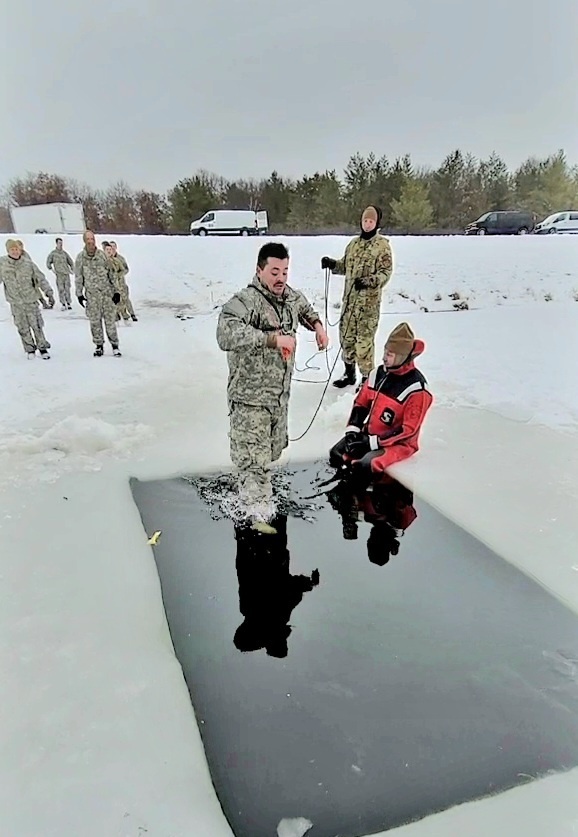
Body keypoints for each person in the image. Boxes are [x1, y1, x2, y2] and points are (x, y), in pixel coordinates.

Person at [216, 241, 329, 528]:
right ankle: (257, 520)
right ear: (260, 270)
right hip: (250, 400)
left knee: (271, 453)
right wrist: (272, 339)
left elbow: (304, 307)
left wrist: (317, 326)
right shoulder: (246, 301)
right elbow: (225, 333)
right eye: (274, 272)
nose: (280, 278)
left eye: (285, 272)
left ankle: (251, 495)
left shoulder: (289, 296)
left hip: (278, 399)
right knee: (256, 464)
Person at [329, 322, 432, 482]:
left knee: (364, 465)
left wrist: (372, 443)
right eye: (385, 351)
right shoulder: (378, 373)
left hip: (398, 443)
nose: (384, 357)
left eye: (390, 354)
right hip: (369, 434)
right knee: (336, 454)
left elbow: (408, 430)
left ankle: (364, 502)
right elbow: (361, 403)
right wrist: (353, 431)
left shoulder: (417, 390)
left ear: (402, 357)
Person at [321, 205, 393, 389]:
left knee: (364, 344)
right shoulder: (353, 244)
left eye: (371, 221)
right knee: (347, 340)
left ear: (377, 223)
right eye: (365, 221)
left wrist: (370, 281)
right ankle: (349, 374)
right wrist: (332, 264)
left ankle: (367, 380)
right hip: (349, 304)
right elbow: (345, 266)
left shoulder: (382, 245)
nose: (367, 224)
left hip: (368, 306)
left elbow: (386, 273)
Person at [0, 239, 54, 358]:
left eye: (16, 249)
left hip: (30, 301)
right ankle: (30, 349)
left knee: (37, 326)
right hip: (16, 303)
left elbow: (40, 278)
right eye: (12, 249)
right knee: (22, 327)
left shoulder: (28, 264)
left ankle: (42, 348)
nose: (14, 252)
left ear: (20, 250)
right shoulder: (2, 264)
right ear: (8, 250)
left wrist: (48, 292)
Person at [74, 230, 123, 357]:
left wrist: (117, 291)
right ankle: (99, 345)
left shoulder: (103, 256)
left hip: (107, 295)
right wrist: (79, 294)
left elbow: (112, 274)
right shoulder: (80, 258)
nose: (91, 241)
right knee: (95, 322)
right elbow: (79, 277)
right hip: (92, 297)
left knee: (110, 322)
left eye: (92, 239)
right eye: (88, 239)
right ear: (84, 241)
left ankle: (115, 345)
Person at [109, 240, 137, 322]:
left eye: (114, 247)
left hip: (121, 284)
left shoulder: (120, 258)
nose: (112, 249)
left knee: (126, 299)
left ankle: (132, 314)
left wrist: (118, 275)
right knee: (115, 301)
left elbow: (126, 269)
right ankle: (118, 315)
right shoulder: (107, 258)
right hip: (113, 285)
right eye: (111, 247)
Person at [46, 237, 74, 310]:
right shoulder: (53, 254)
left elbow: (70, 262)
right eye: (59, 243)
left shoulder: (64, 253)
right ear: (56, 244)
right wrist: (51, 269)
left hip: (66, 274)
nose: (60, 245)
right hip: (59, 275)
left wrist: (72, 269)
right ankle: (63, 303)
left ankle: (68, 302)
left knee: (67, 289)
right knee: (61, 289)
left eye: (61, 243)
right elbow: (48, 262)